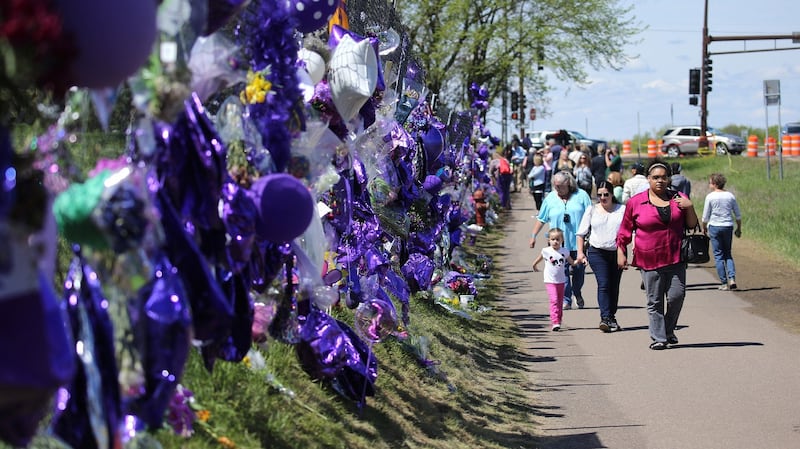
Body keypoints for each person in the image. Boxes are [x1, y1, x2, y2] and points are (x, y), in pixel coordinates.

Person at [616, 160, 699, 350]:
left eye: (663, 177)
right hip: (649, 258)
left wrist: (689, 206)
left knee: (677, 296)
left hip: (675, 256)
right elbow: (625, 230)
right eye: (655, 178)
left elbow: (692, 225)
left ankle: (668, 330)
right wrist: (621, 251)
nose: (660, 181)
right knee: (654, 301)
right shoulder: (636, 202)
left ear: (669, 178)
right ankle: (659, 337)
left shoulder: (679, 198)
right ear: (648, 179)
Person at [529, 171, 592, 309]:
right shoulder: (550, 198)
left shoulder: (581, 196)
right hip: (557, 245)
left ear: (568, 184)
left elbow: (591, 216)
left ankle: (577, 292)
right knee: (561, 274)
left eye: (560, 186)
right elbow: (541, 219)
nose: (557, 189)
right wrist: (533, 236)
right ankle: (566, 300)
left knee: (579, 272)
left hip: (578, 244)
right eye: (555, 186)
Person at [576, 181, 626, 332]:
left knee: (614, 286)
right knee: (603, 284)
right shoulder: (592, 210)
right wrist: (580, 252)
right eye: (599, 195)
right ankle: (605, 318)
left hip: (617, 252)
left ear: (612, 195)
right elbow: (581, 233)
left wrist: (633, 249)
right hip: (597, 252)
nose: (603, 198)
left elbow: (631, 231)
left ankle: (611, 316)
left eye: (606, 194)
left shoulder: (622, 209)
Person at [532, 228, 578, 331]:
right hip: (550, 281)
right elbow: (539, 258)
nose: (555, 241)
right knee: (554, 300)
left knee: (560, 302)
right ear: (549, 240)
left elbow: (572, 262)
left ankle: (559, 319)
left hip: (561, 281)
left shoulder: (565, 251)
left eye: (558, 239)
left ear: (562, 240)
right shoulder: (546, 251)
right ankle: (555, 321)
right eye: (553, 239)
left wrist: (579, 260)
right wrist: (534, 265)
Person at [701, 173, 742, 290]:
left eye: (710, 182)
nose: (709, 184)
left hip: (714, 226)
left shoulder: (710, 197)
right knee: (727, 253)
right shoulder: (730, 196)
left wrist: (703, 227)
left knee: (718, 255)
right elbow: (737, 215)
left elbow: (705, 216)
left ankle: (724, 283)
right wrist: (739, 228)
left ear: (714, 184)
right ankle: (732, 278)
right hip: (728, 226)